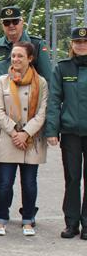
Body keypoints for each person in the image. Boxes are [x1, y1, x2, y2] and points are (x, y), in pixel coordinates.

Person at [0, 6, 52, 224]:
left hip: (31, 122)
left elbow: (46, 82)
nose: (11, 26)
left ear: (22, 23)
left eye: (15, 22)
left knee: (29, 178)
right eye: (6, 23)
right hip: (3, 120)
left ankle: (28, 214)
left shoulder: (37, 45)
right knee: (2, 174)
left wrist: (32, 129)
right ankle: (0, 209)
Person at [0, 42, 48, 236]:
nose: (15, 60)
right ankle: (1, 219)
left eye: (20, 56)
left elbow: (42, 112)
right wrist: (15, 133)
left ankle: (28, 220)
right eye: (13, 56)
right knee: (5, 182)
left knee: (30, 182)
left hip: (31, 140)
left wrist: (26, 133)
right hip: (8, 139)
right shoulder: (2, 81)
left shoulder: (41, 83)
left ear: (30, 59)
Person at [46, 26, 87, 239]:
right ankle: (71, 223)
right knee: (72, 178)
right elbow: (54, 100)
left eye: (85, 42)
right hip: (70, 132)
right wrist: (52, 129)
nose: (81, 45)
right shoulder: (63, 68)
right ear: (71, 44)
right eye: (77, 42)